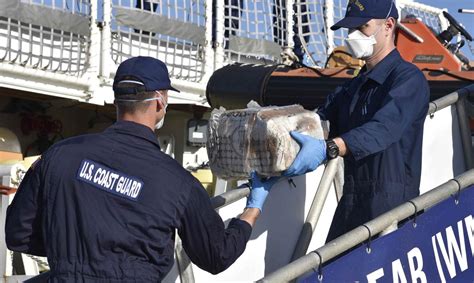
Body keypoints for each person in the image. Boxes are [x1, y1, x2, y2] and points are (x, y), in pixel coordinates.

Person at [5, 56, 280, 282]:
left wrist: (72, 255)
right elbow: (216, 256)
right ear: (160, 101)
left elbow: (18, 234)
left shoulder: (58, 155)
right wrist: (252, 210)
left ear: (117, 100)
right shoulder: (178, 182)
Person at [286, 0, 430, 242]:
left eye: (362, 27)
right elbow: (320, 119)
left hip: (391, 206)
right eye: (350, 29)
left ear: (388, 25)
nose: (353, 36)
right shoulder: (352, 87)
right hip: (352, 202)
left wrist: (330, 147)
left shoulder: (408, 80)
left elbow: (382, 129)